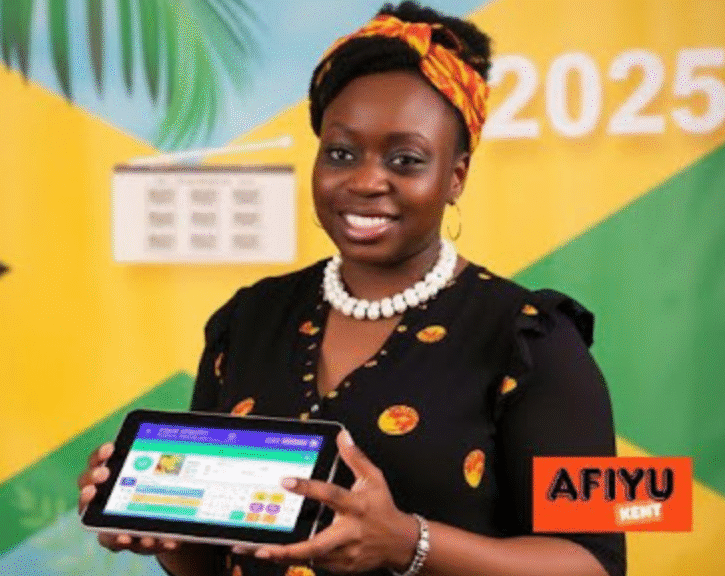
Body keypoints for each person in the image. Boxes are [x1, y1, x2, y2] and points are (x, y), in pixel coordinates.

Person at [77, 2, 626, 575]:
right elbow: (218, 562)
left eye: (406, 160)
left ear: (456, 175)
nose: (366, 181)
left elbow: (599, 562)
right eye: (341, 154)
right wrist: (163, 532)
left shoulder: (536, 339)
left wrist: (408, 542)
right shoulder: (249, 319)